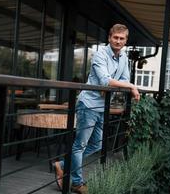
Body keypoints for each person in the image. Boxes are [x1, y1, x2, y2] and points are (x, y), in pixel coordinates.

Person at [53, 24, 140, 194]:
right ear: (109, 38)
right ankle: (77, 183)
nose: (118, 41)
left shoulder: (123, 57)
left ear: (125, 41)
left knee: (97, 144)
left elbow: (123, 79)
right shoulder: (100, 55)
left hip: (103, 107)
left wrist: (126, 84)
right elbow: (106, 81)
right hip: (89, 105)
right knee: (80, 145)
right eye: (115, 37)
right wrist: (130, 86)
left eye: (122, 38)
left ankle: (62, 165)